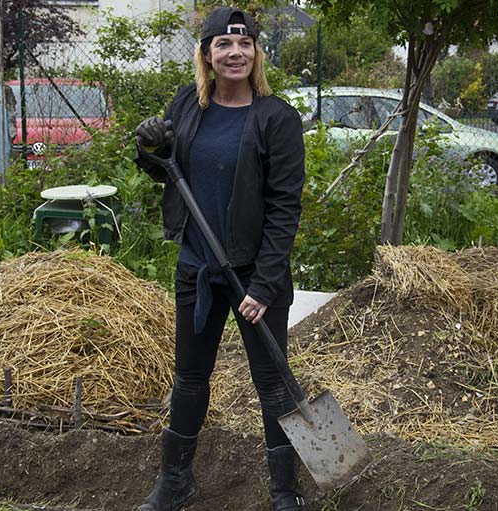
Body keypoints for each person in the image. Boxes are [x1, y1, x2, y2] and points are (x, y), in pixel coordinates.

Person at [133, 6, 306, 511]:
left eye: (244, 44)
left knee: (272, 383)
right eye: (223, 46)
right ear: (207, 55)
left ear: (256, 53)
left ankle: (284, 492)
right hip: (198, 267)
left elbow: (284, 208)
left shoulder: (276, 118)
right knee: (189, 378)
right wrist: (149, 149)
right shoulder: (189, 104)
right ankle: (175, 482)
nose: (235, 53)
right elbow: (168, 171)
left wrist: (264, 285)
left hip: (255, 272)